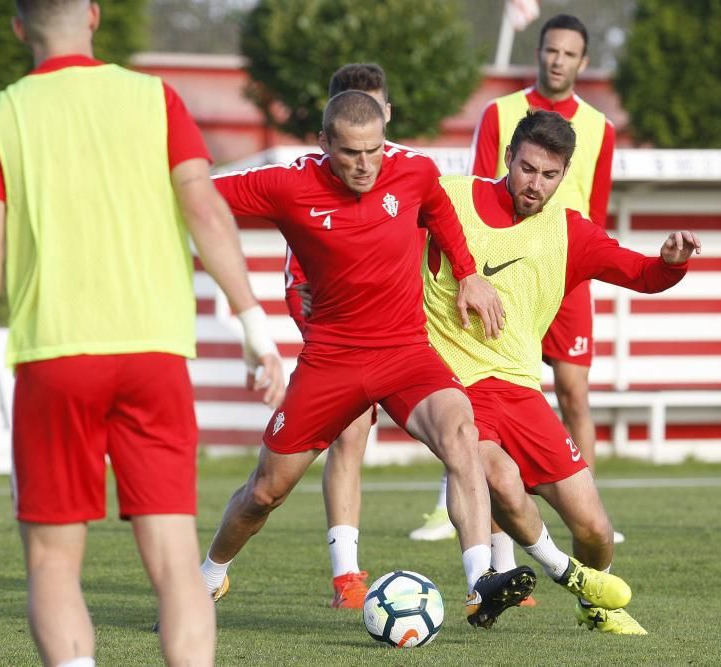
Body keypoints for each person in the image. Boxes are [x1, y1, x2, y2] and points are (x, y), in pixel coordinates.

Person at [0, 2, 285, 665]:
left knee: (52, 560)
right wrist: (253, 326)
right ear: (93, 16)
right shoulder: (155, 98)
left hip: (56, 358)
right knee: (176, 557)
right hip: (152, 353)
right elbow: (206, 208)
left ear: (18, 27)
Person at [203, 90, 536, 630]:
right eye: (350, 152)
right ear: (324, 144)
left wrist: (468, 271)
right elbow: (199, 195)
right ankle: (208, 576)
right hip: (331, 361)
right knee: (264, 493)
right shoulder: (287, 183)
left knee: (461, 432)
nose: (364, 164)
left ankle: (480, 583)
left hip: (406, 351)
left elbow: (439, 209)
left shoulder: (413, 171)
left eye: (374, 150)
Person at [424, 109, 701, 634]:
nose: (535, 184)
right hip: (455, 388)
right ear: (508, 158)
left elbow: (642, 274)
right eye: (527, 169)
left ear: (565, 174)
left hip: (523, 393)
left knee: (596, 528)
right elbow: (377, 232)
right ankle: (527, 577)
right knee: (500, 480)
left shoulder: (570, 232)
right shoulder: (451, 199)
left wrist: (670, 262)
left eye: (549, 175)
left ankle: (594, 604)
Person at [411, 13, 623, 564]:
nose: (558, 60)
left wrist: (578, 262)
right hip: (496, 271)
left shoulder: (601, 128)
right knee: (486, 410)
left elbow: (595, 213)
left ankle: (583, 506)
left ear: (583, 62)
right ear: (539, 51)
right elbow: (480, 199)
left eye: (569, 54)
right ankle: (494, 548)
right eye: (550, 50)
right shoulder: (501, 113)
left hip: (560, 270)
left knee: (574, 393)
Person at [282, 63, 393, 610]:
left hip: (412, 337)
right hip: (343, 342)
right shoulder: (306, 184)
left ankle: (491, 567)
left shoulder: (410, 174)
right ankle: (347, 575)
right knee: (348, 442)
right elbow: (295, 280)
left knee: (469, 434)